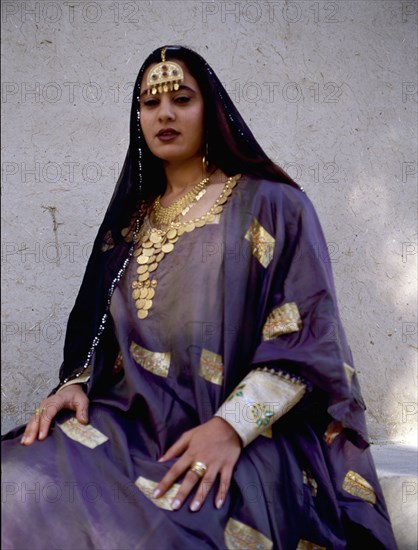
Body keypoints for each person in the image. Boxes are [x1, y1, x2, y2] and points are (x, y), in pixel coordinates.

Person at [2, 45, 397, 550]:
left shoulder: (272, 205)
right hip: (130, 422)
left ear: (211, 109)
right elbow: (102, 333)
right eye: (149, 102)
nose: (164, 113)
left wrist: (230, 429)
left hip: (248, 434)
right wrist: (77, 381)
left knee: (154, 528)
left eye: (182, 99)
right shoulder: (131, 223)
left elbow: (306, 340)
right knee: (16, 482)